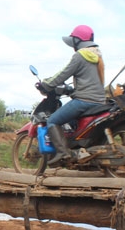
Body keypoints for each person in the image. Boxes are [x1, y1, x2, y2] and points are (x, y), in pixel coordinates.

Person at [36, 25, 106, 165]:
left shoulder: (80, 56)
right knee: (71, 123)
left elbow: (63, 74)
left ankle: (63, 152)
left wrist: (47, 84)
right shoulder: (97, 56)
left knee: (53, 121)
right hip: (100, 101)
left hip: (84, 101)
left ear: (77, 42)